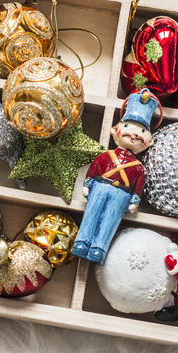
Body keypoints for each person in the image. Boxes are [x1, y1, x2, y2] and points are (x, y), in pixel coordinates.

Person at [72, 89, 160, 264]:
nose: (133, 134)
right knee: (92, 213)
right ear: (115, 130)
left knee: (110, 220)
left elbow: (138, 187)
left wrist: (134, 201)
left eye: (141, 131)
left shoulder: (139, 168)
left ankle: (99, 248)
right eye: (127, 127)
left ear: (148, 142)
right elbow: (95, 167)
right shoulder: (106, 155)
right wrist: (87, 183)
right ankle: (82, 242)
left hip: (122, 195)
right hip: (99, 186)